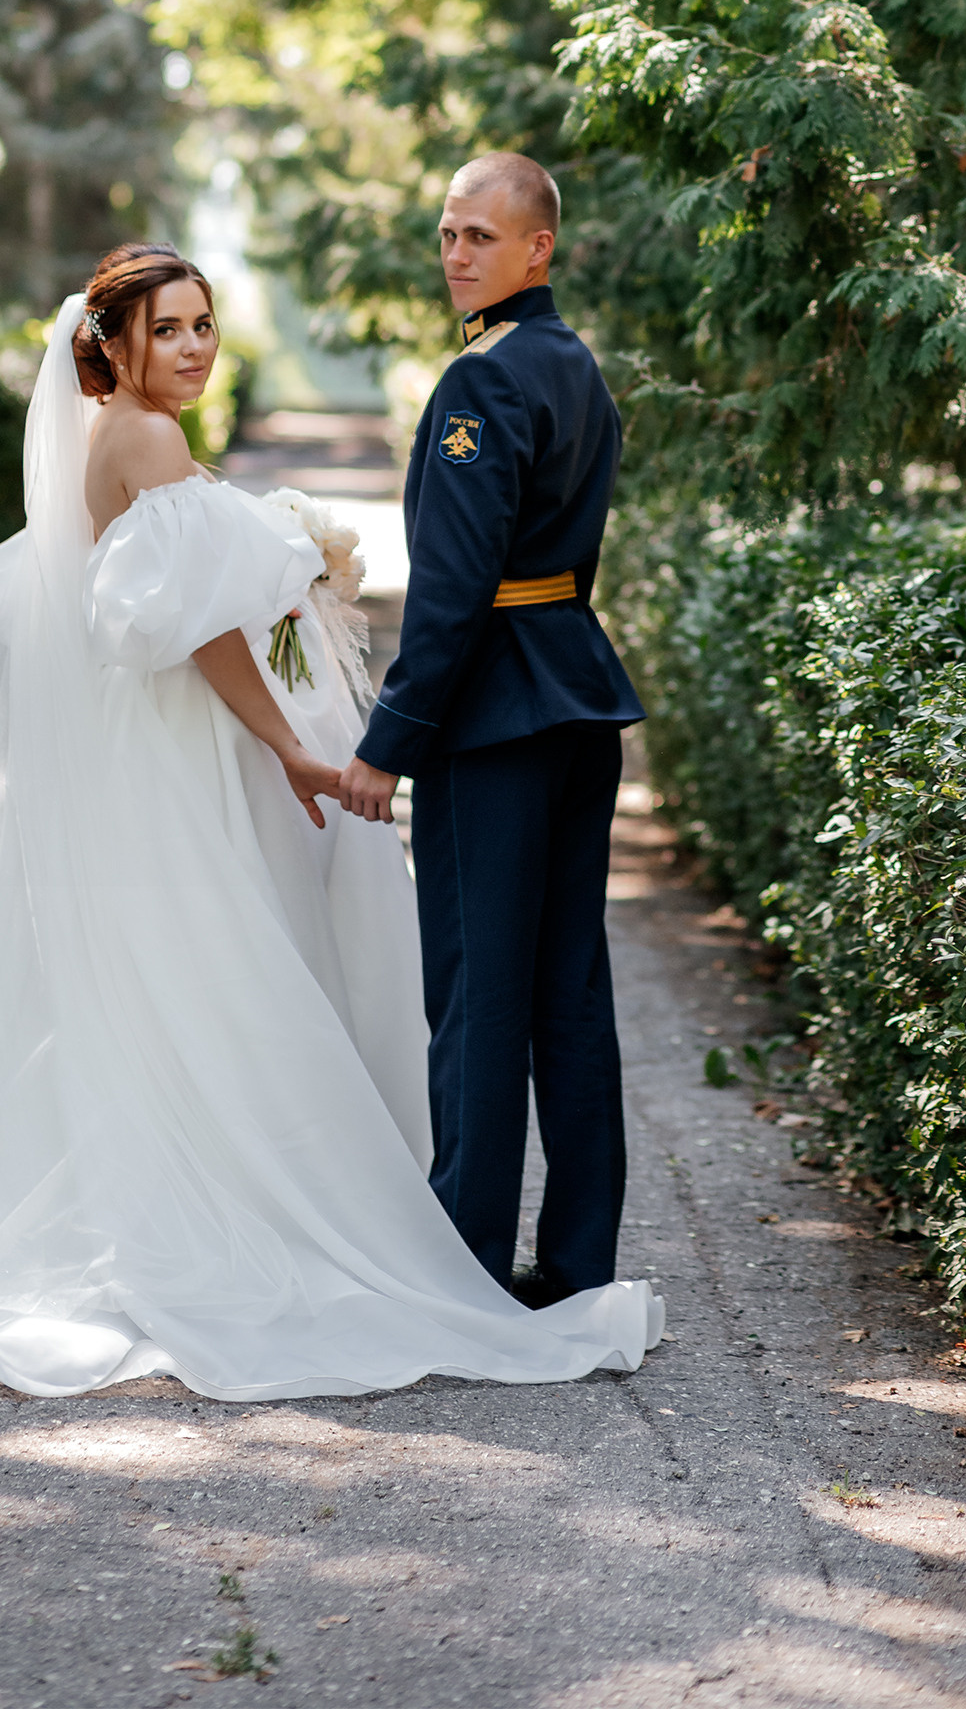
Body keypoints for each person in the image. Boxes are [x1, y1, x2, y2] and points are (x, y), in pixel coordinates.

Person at [0, 240, 662, 1401]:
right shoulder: (147, 438)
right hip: (177, 750)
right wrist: (290, 743)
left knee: (166, 982)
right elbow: (204, 629)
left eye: (202, 326)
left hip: (145, 746)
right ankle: (244, 1225)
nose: (191, 349)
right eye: (167, 329)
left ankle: (179, 1210)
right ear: (111, 341)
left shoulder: (106, 438)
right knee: (220, 972)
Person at [339, 154, 643, 1307]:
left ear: (536, 250)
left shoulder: (482, 383)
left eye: (479, 234)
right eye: (447, 233)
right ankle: (575, 1268)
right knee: (564, 989)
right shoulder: (573, 366)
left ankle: (459, 1269)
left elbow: (453, 589)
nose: (457, 254)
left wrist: (388, 740)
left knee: (478, 992)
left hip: (497, 721)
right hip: (574, 695)